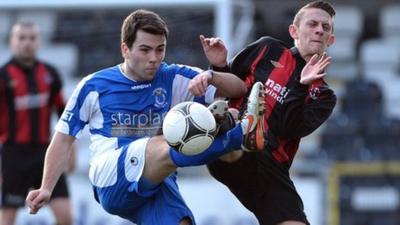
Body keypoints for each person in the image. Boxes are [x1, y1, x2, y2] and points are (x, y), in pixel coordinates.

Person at [25, 9, 266, 225]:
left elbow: (239, 89)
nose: (154, 57)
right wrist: (46, 187)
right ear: (125, 49)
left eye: (160, 49)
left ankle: (232, 129)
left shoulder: (174, 77)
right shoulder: (94, 85)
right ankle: (239, 134)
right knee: (173, 137)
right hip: (112, 176)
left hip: (158, 178)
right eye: (145, 49)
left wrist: (213, 76)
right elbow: (63, 138)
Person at [200, 1, 337, 225]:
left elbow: (289, 128)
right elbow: (227, 88)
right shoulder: (267, 49)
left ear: (330, 40)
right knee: (230, 120)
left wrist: (302, 85)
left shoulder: (324, 95)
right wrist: (220, 67)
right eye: (312, 24)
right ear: (294, 31)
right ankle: (240, 131)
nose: (319, 29)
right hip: (234, 148)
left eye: (326, 27)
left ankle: (246, 130)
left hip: (271, 169)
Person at [0, 22, 74, 225]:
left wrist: (71, 151)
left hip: (45, 153)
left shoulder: (50, 74)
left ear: (39, 42)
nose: (27, 43)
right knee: (7, 219)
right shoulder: (3, 76)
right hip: (13, 156)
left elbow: (65, 114)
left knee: (66, 216)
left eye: (32, 38)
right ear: (12, 42)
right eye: (21, 38)